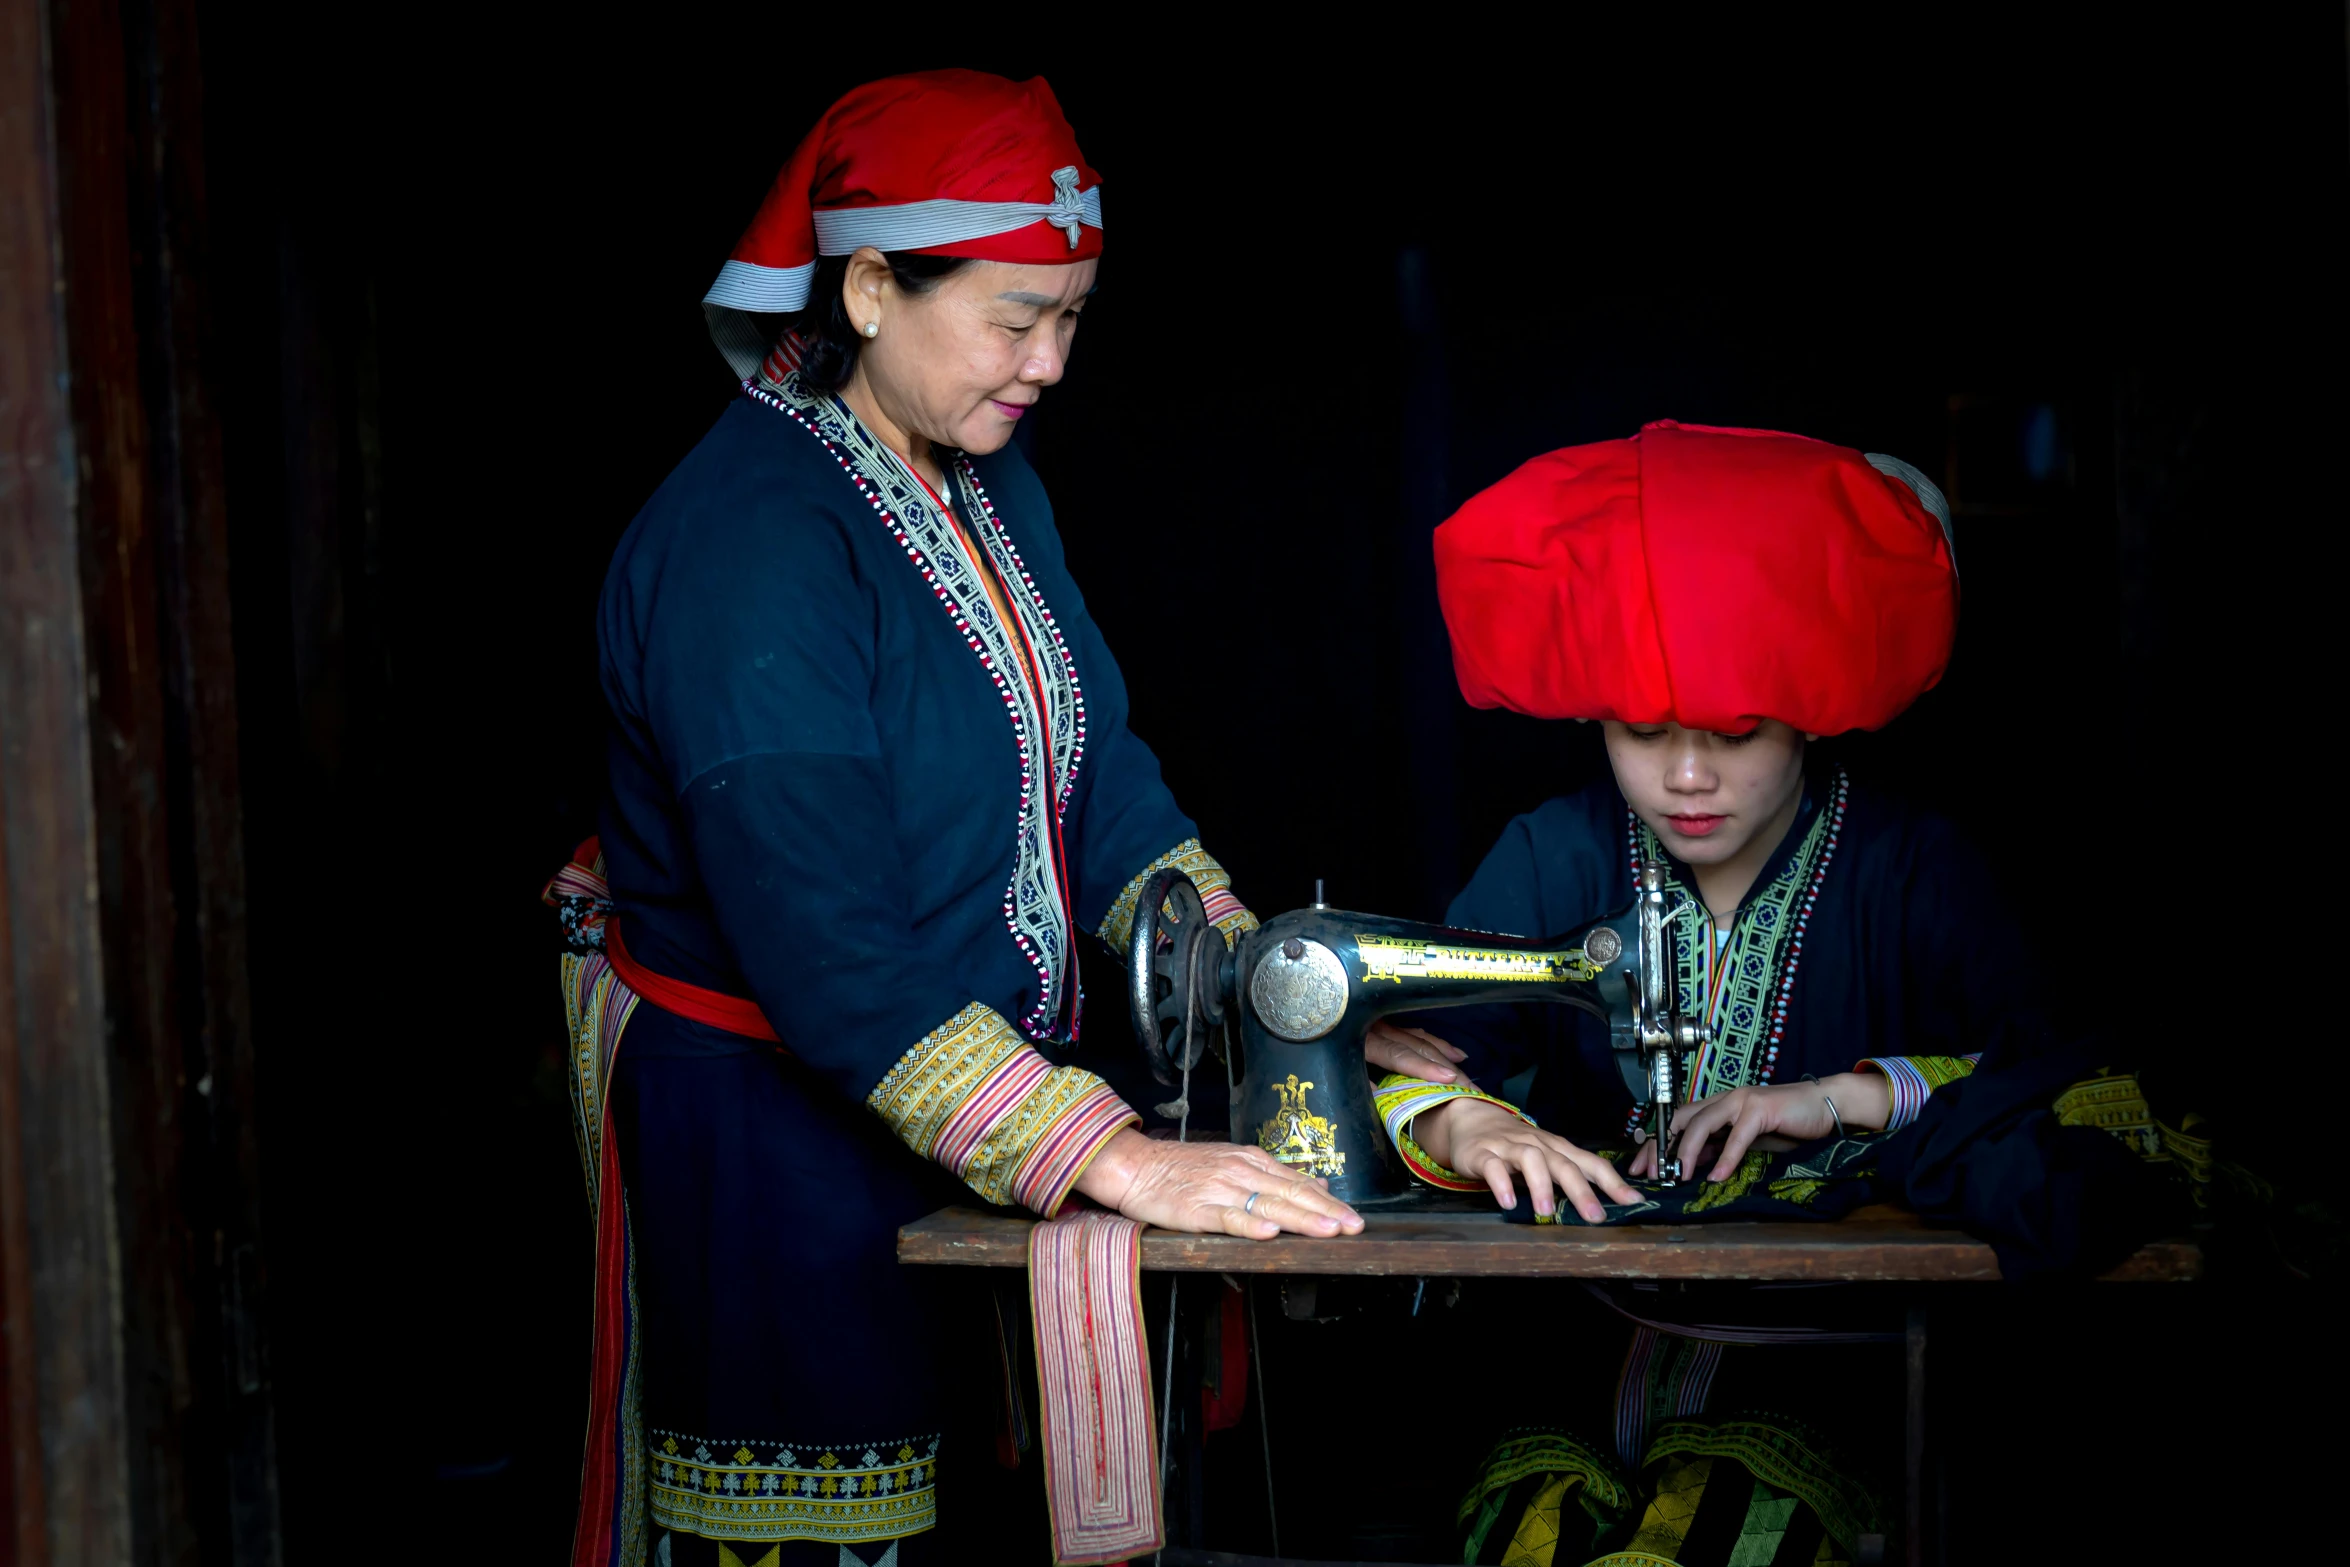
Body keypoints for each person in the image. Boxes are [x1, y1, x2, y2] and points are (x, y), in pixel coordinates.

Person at [553, 71, 1360, 1567]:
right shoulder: (750, 547)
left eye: (1071, 315)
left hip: (945, 1120)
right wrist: (1110, 1152)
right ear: (868, 287)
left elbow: (1094, 775)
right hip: (772, 1148)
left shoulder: (984, 484)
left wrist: (1267, 983)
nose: (1050, 361)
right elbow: (833, 950)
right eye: (1014, 317)